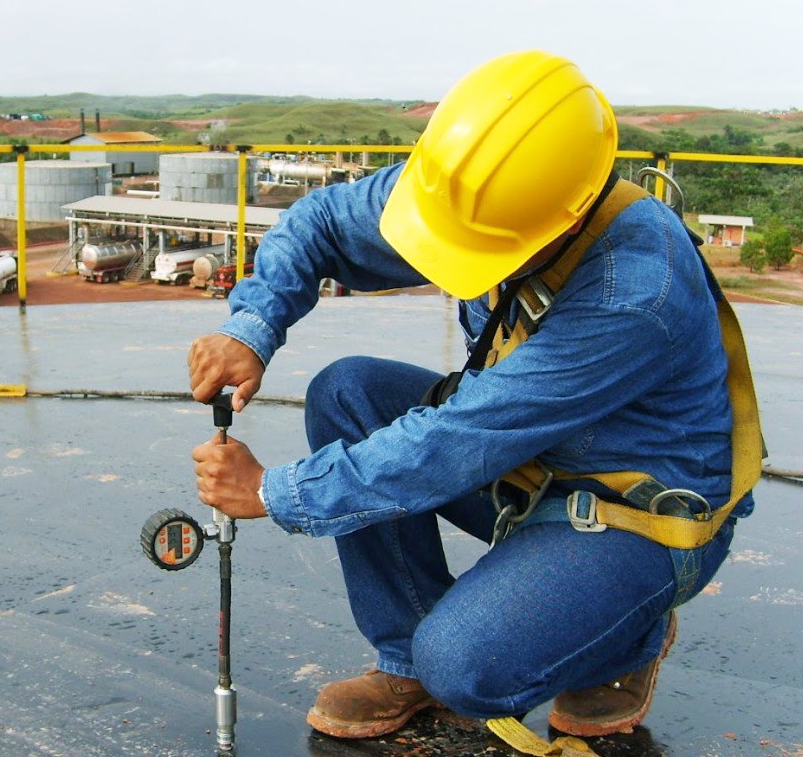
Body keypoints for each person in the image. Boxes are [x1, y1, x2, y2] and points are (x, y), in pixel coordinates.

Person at [188, 50, 758, 740]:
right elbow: (323, 223)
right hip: (532, 456)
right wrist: (251, 327)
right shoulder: (468, 191)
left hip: (631, 507)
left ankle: (626, 636)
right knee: (348, 393)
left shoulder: (634, 292)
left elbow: (461, 438)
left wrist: (275, 492)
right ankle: (406, 660)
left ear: (565, 219)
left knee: (466, 667)